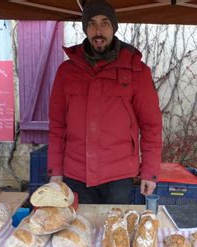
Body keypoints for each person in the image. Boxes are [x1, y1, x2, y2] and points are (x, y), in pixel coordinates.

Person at [47, 0, 163, 204]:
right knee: (81, 230)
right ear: (85, 29)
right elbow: (57, 126)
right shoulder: (66, 72)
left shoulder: (137, 71)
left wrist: (149, 171)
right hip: (76, 174)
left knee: (113, 231)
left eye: (105, 23)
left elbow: (151, 126)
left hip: (118, 177)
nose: (98, 31)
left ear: (114, 27)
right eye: (91, 23)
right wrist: (55, 170)